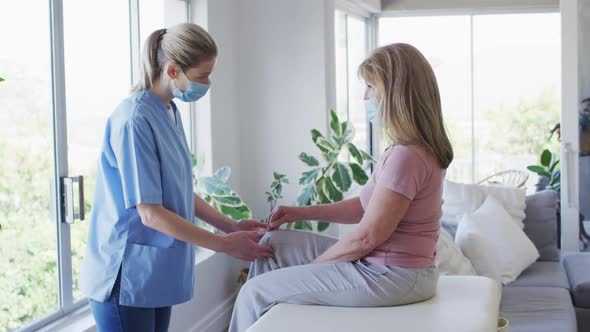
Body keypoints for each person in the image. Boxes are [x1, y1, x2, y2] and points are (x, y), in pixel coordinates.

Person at [228, 43, 454, 332]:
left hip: (393, 275)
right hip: (394, 269)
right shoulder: (407, 150)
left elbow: (366, 238)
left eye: (371, 88)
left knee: (254, 292)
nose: (365, 97)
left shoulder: (406, 157)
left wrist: (319, 266)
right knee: (273, 245)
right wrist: (299, 213)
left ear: (396, 94)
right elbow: (364, 207)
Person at [79, 23, 272, 332]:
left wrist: (231, 226)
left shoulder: (168, 111)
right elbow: (150, 213)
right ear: (172, 71)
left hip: (155, 271)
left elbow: (178, 192)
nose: (207, 83)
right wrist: (224, 245)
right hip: (126, 274)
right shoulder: (134, 120)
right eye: (201, 76)